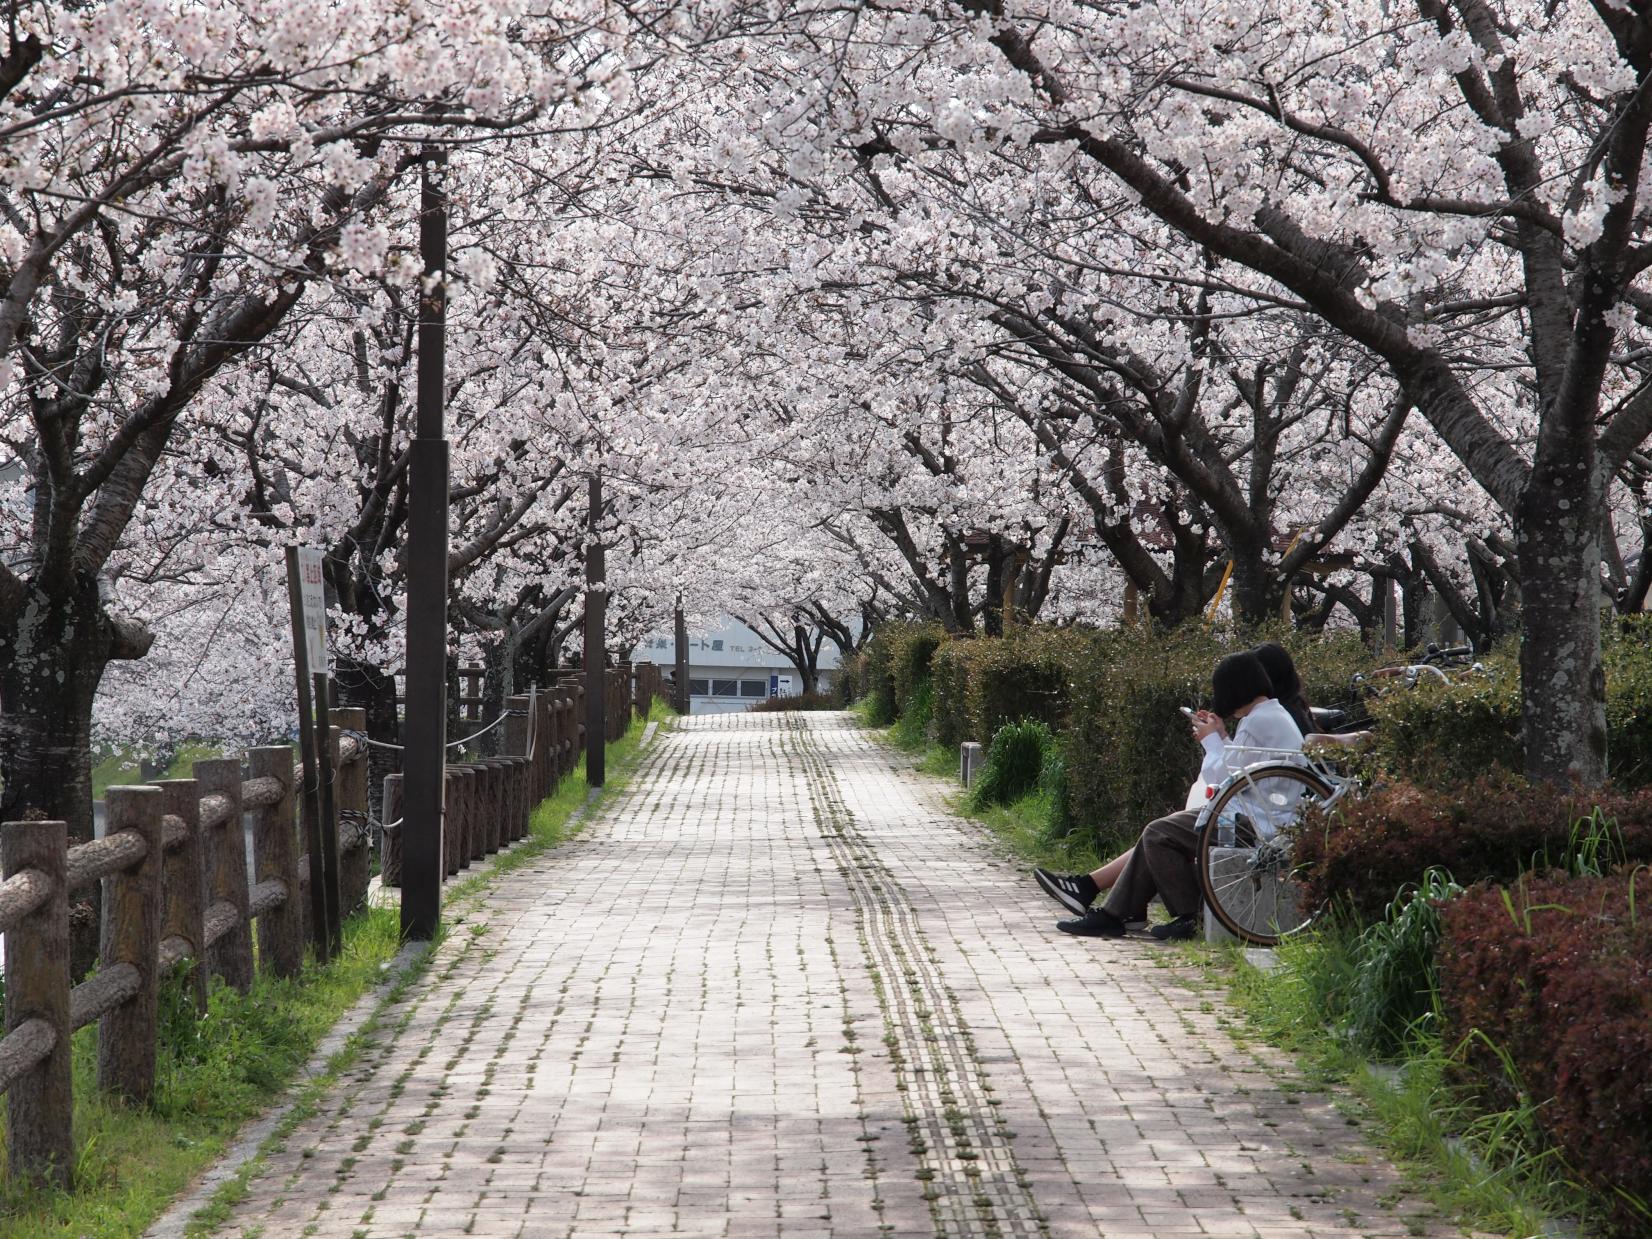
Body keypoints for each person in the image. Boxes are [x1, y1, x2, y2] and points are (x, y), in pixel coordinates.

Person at [1035, 650, 1304, 941]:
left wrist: (1211, 740)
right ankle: (1116, 912)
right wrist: (1221, 736)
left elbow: (1227, 777)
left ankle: (1187, 915)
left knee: (1159, 833)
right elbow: (1242, 766)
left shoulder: (1258, 721)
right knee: (1160, 833)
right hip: (1263, 817)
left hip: (1254, 823)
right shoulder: (1273, 715)